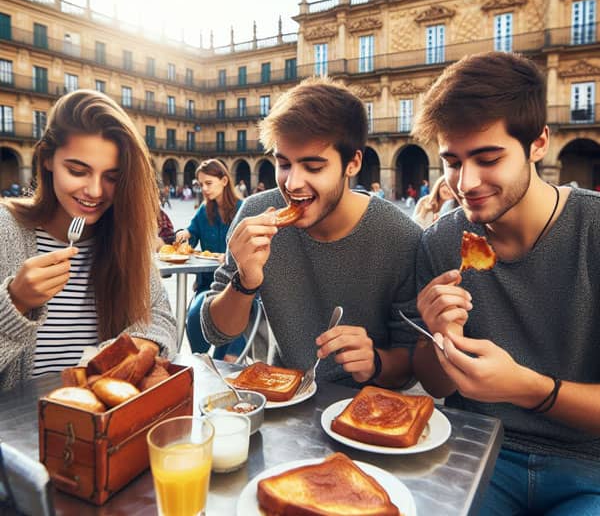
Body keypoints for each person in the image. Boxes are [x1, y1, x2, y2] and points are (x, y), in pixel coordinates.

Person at [410, 52, 600, 515]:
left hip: (588, 467)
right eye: (452, 161)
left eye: (488, 158)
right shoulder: (441, 241)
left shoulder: (592, 230)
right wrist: (439, 336)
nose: (466, 182)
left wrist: (525, 387)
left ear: (538, 144)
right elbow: (433, 384)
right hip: (474, 453)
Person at [200, 78, 422, 387]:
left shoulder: (401, 237)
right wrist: (244, 281)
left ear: (353, 163)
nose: (292, 184)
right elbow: (216, 331)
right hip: (284, 395)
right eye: (284, 164)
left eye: (313, 167)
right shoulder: (255, 214)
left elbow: (413, 362)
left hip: (368, 409)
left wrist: (375, 362)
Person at [0, 90, 177, 392]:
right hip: (15, 433)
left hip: (103, 429)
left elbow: (161, 317)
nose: (95, 191)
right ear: (46, 159)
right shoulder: (6, 230)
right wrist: (15, 302)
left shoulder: (124, 236)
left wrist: (137, 346)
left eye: (111, 177)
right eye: (78, 170)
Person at [175, 159, 244, 360]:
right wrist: (185, 234)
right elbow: (192, 235)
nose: (204, 189)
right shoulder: (204, 211)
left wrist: (231, 256)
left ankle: (223, 360)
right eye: (200, 184)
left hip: (238, 286)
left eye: (208, 183)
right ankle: (202, 357)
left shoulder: (243, 209)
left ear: (224, 181)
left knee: (234, 314)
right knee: (195, 312)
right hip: (208, 285)